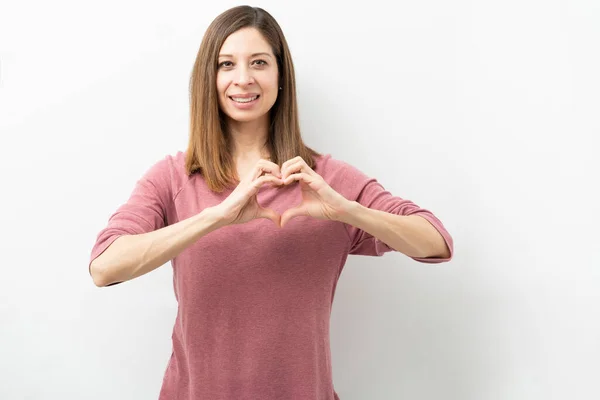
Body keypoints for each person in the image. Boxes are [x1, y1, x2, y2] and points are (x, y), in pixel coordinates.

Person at [88, 5, 454, 400]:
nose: (242, 79)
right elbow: (105, 266)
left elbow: (436, 241)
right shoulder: (173, 177)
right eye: (226, 64)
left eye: (259, 62)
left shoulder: (324, 181)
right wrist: (217, 217)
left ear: (281, 77)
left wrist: (347, 211)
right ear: (208, 79)